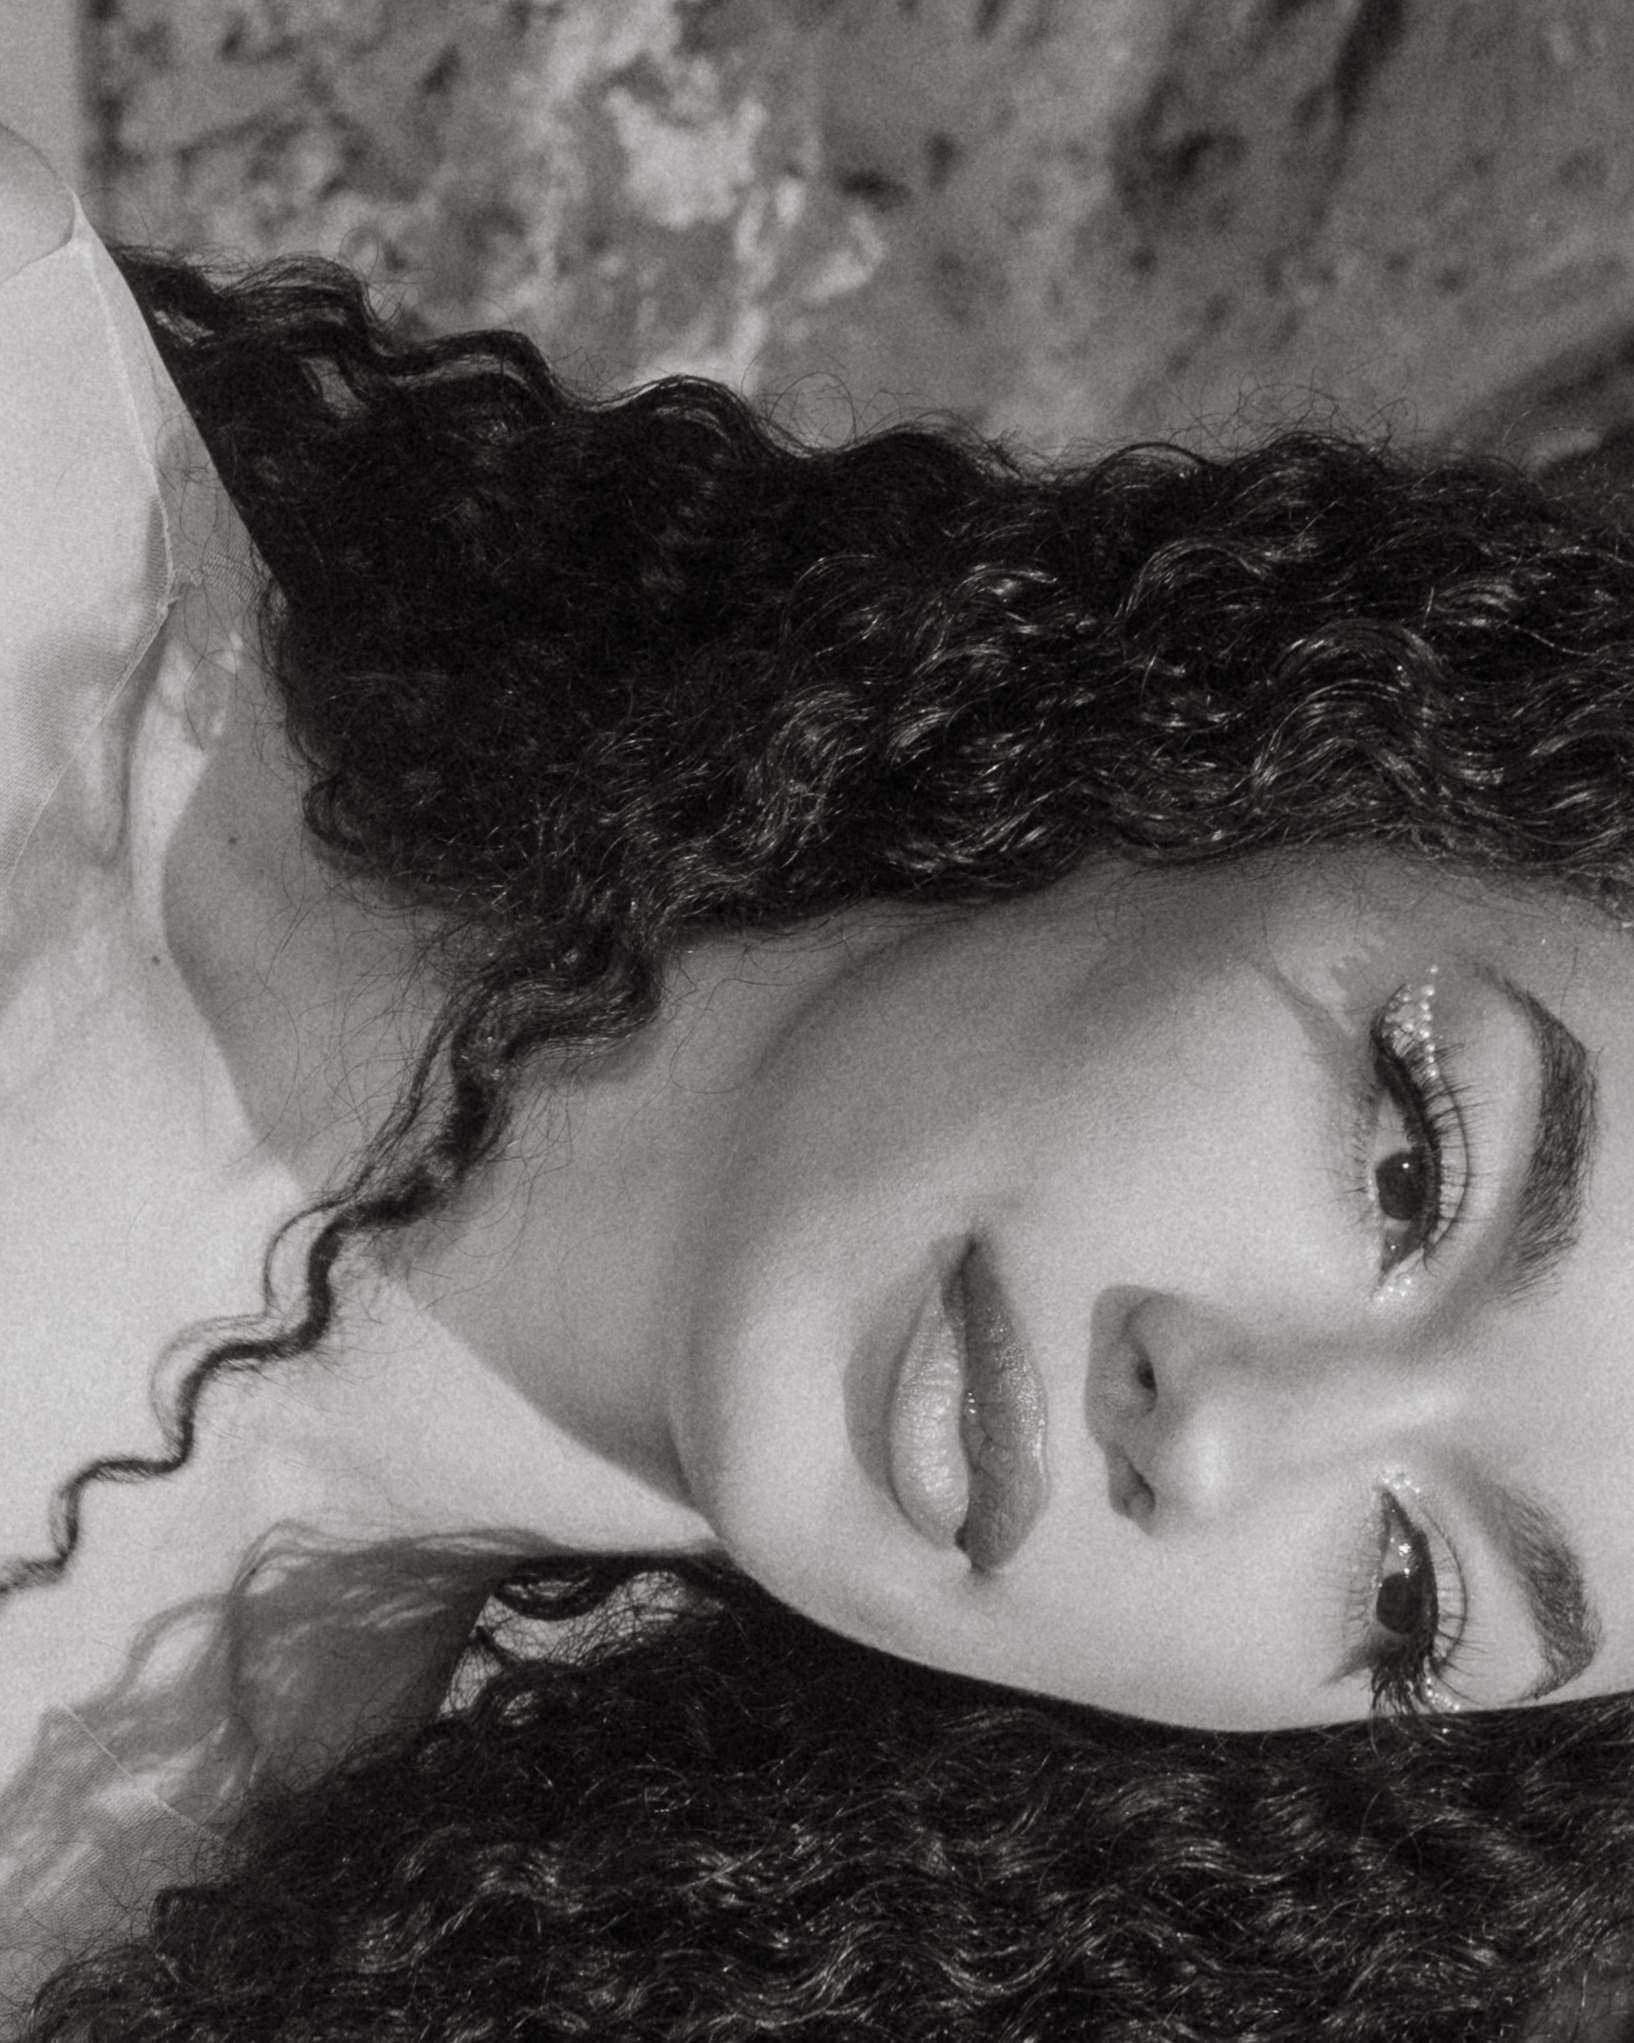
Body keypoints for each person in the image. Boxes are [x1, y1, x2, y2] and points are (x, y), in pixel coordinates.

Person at [3, 120, 1634, 2040]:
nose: (1210, 1446)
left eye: (1407, 1598)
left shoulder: (178, 1963)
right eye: (1409, 1168)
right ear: (1272, 756)